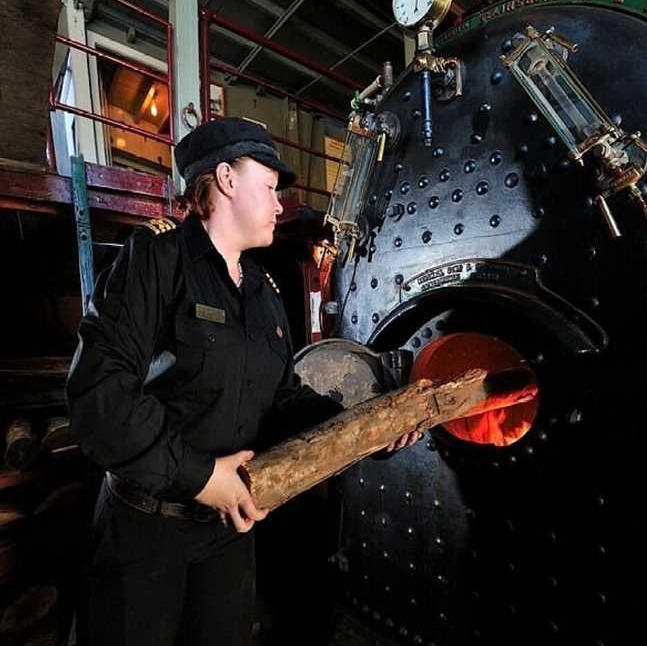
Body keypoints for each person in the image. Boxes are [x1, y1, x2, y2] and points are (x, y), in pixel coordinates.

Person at [65, 117, 421, 646]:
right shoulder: (156, 262)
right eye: (271, 187)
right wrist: (204, 477)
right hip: (146, 532)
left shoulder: (262, 290)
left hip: (229, 534)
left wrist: (368, 427)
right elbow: (100, 396)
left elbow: (280, 399)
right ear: (227, 179)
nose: (280, 205)